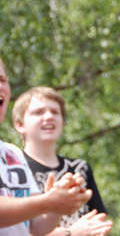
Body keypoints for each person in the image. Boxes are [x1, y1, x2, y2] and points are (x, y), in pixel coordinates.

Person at [0, 57, 92, 236]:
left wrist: (60, 201)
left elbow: (36, 227)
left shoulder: (12, 154)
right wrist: (49, 203)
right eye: (38, 112)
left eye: (2, 80)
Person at [12, 86, 113, 236]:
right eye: (38, 112)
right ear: (20, 125)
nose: (48, 117)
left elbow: (99, 221)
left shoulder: (80, 168)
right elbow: (17, 231)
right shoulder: (12, 169)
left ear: (63, 122)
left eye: (55, 112)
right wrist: (70, 233)